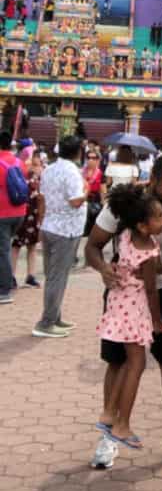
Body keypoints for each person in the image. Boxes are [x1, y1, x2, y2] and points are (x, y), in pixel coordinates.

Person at [86, 154, 162, 471]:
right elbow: (92, 247)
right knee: (117, 362)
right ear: (153, 178)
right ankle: (109, 433)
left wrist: (155, 267)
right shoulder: (123, 206)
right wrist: (105, 269)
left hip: (161, 292)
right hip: (122, 296)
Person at [94, 184, 162, 450]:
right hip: (134, 309)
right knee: (136, 365)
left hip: (117, 304)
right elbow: (151, 289)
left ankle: (108, 413)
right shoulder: (149, 251)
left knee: (125, 363)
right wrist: (157, 320)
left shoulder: (124, 236)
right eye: (158, 217)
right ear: (143, 226)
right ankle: (122, 425)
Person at [33, 135, 86, 337]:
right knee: (57, 277)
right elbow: (75, 201)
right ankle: (47, 322)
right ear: (78, 152)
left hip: (51, 225)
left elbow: (43, 198)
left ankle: (54, 317)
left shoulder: (50, 169)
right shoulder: (71, 171)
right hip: (66, 230)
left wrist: (41, 222)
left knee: (53, 276)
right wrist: (87, 190)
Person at [0, 131, 27, 303]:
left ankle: (5, 289)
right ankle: (7, 281)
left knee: (3, 250)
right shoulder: (19, 162)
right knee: (5, 248)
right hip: (19, 212)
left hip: (2, 213)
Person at [11, 148, 43, 288]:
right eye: (33, 159)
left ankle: (31, 275)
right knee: (16, 245)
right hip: (22, 212)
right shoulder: (19, 172)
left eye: (38, 159)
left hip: (35, 213)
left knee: (32, 245)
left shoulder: (40, 174)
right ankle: (10, 275)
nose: (37, 162)